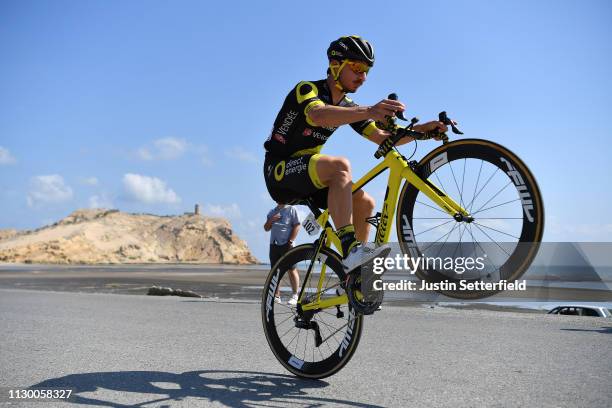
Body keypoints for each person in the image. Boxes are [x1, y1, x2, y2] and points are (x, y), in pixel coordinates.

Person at [263, 35, 448, 273]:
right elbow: (319, 115)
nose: (363, 77)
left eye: (367, 70)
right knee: (340, 166)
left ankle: (354, 276)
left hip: (310, 175)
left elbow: (383, 138)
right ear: (335, 64)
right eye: (357, 68)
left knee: (364, 202)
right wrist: (370, 110)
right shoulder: (307, 89)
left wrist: (422, 131)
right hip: (280, 172)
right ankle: (351, 251)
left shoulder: (350, 108)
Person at [264, 202, 300, 305]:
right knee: (275, 271)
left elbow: (297, 225)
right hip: (274, 245)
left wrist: (290, 241)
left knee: (291, 269)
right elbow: (266, 228)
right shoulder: (272, 212)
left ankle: (295, 295)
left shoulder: (291, 209)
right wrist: (271, 220)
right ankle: (276, 296)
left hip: (287, 244)